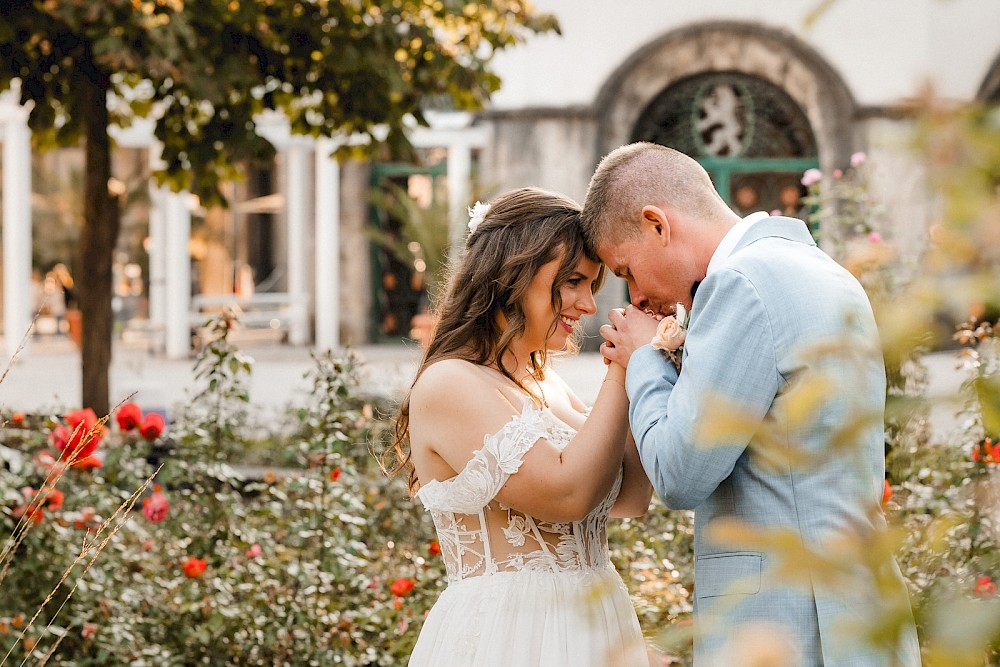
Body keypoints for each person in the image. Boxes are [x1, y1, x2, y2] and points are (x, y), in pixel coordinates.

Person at [580, 142, 920, 665]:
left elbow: (679, 474)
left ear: (657, 225)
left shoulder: (740, 284)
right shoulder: (824, 272)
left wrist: (643, 358)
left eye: (625, 270)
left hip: (790, 627)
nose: (636, 297)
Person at [382, 187, 652, 666]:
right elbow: (567, 495)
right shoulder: (450, 382)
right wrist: (620, 371)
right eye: (573, 281)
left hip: (596, 622)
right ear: (513, 272)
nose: (588, 305)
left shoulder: (545, 381)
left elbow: (630, 497)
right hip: (512, 636)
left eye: (592, 285)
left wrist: (650, 365)